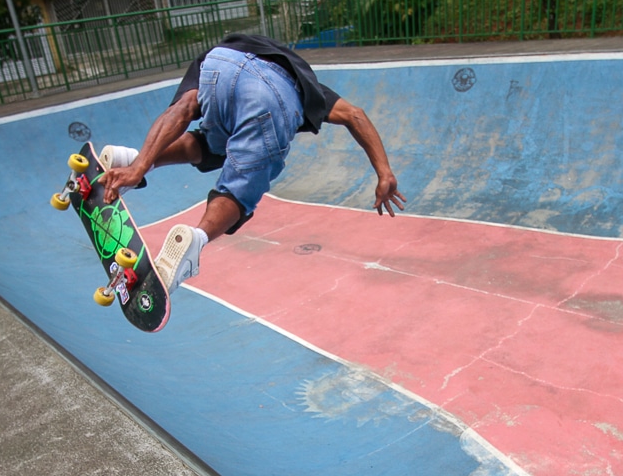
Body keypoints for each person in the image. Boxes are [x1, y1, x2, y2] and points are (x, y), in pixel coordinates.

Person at [99, 33, 405, 294]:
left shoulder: (228, 51)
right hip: (277, 94)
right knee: (239, 190)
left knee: (211, 144)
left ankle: (131, 160)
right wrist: (384, 172)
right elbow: (355, 115)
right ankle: (195, 241)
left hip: (221, 63)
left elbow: (184, 108)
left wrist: (139, 167)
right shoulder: (308, 86)